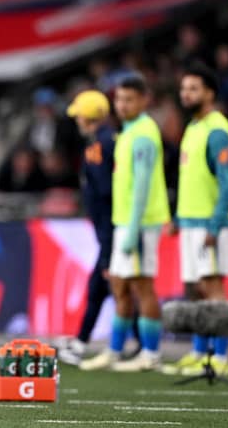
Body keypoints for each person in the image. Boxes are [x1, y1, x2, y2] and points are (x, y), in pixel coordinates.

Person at [79, 74, 169, 372]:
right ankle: (116, 350)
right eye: (119, 99)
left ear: (145, 100)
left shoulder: (143, 132)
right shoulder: (127, 132)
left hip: (140, 223)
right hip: (123, 222)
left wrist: (132, 228)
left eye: (129, 99)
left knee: (143, 286)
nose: (123, 104)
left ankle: (152, 354)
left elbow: (143, 184)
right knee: (118, 285)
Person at [161, 63, 228, 377]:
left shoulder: (218, 130)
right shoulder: (193, 127)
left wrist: (216, 224)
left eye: (193, 88)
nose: (186, 94)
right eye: (183, 88)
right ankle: (199, 351)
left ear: (209, 93)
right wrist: (179, 217)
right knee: (194, 288)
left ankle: (221, 356)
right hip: (190, 221)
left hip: (210, 223)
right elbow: (191, 179)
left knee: (213, 286)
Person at [58, 91, 116, 365]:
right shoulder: (105, 141)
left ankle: (83, 342)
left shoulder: (99, 145)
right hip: (109, 225)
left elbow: (105, 190)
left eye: (79, 114)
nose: (77, 119)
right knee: (110, 287)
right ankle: (84, 341)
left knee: (107, 286)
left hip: (110, 226)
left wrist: (107, 229)